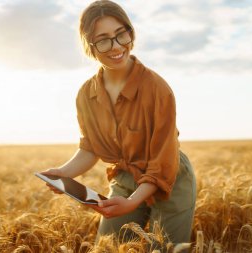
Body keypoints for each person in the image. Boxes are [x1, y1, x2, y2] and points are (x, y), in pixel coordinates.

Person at [41, 0, 196, 249]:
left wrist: (134, 200)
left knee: (164, 249)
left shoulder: (157, 89)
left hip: (170, 178)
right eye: (103, 39)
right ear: (88, 46)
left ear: (130, 32)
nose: (116, 47)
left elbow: (163, 158)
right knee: (109, 247)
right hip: (125, 179)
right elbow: (91, 147)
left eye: (121, 34)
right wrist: (64, 173)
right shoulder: (86, 94)